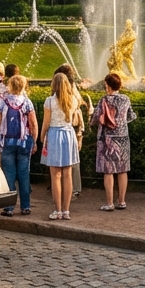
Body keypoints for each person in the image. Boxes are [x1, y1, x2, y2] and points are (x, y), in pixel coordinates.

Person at [0, 74, 37, 217]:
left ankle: (9, 207)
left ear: (10, 86)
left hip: (7, 142)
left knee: (9, 174)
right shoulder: (27, 102)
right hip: (23, 142)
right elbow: (33, 124)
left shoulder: (2, 102)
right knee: (24, 174)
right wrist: (34, 141)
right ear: (23, 86)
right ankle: (25, 206)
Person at [39, 72, 82, 220]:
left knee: (55, 175)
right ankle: (66, 210)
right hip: (68, 134)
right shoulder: (73, 100)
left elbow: (46, 122)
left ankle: (57, 210)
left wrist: (41, 135)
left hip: (54, 134)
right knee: (67, 174)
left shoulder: (49, 101)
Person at [91, 73, 136, 211]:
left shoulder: (104, 99)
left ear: (108, 85)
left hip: (107, 138)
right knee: (123, 170)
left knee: (108, 171)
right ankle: (122, 201)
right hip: (123, 137)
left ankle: (110, 203)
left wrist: (90, 121)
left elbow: (97, 118)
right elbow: (131, 116)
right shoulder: (126, 99)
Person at [53, 63, 92, 199]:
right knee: (71, 159)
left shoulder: (67, 89)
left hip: (70, 127)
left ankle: (73, 188)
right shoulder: (71, 88)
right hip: (73, 127)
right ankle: (71, 187)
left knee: (70, 160)